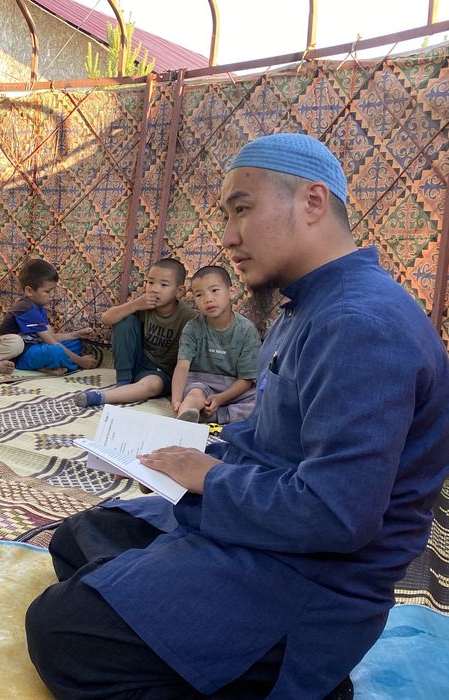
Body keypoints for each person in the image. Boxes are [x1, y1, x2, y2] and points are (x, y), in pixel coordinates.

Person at [25, 133, 449, 699]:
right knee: (80, 536)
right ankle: (178, 602)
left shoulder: (361, 326)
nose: (227, 238)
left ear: (313, 202)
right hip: (264, 527)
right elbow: (272, 439)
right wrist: (206, 458)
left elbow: (338, 516)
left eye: (241, 210)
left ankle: (284, 675)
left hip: (308, 579)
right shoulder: (306, 309)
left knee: (59, 631)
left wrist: (211, 478)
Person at [74, 257, 196, 407]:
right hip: (136, 363)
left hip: (161, 373)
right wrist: (135, 305)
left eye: (164, 285)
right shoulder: (143, 304)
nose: (155, 289)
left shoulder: (188, 317)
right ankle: (123, 382)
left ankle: (100, 397)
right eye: (150, 282)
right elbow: (106, 318)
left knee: (153, 385)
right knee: (124, 319)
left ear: (179, 291)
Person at [170, 265, 260, 424]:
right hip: (200, 382)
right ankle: (185, 415)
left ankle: (214, 415)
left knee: (262, 401)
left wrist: (220, 398)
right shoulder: (193, 328)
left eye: (214, 290)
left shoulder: (247, 330)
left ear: (231, 292)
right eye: (199, 294)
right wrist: (176, 401)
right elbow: (182, 366)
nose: (208, 299)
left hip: (233, 387)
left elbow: (246, 379)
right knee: (194, 393)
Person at [0, 259, 97, 375]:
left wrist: (76, 334)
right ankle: (69, 365)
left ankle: (46, 366)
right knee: (56, 351)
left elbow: (51, 337)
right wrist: (80, 361)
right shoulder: (26, 309)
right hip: (19, 357)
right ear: (29, 291)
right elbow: (52, 342)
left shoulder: (38, 307)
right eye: (47, 292)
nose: (51, 296)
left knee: (75, 343)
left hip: (35, 347)